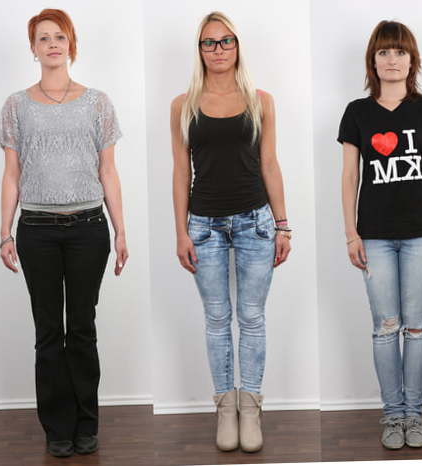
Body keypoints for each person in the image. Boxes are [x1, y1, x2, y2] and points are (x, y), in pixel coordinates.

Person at [0, 8, 128, 458]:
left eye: (59, 37)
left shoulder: (98, 103)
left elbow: (108, 171)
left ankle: (87, 422)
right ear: (33, 49)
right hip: (36, 230)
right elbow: (11, 174)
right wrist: (4, 232)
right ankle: (57, 427)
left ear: (72, 44)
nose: (52, 44)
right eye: (43, 38)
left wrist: (121, 230)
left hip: (89, 228)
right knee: (49, 331)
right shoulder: (16, 105)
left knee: (83, 328)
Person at [170, 11, 291, 453]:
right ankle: (225, 407)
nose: (218, 49)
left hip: (255, 223)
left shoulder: (261, 101)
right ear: (199, 50)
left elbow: (270, 164)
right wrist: (181, 232)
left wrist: (283, 224)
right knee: (218, 318)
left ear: (237, 47)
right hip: (204, 227)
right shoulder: (182, 105)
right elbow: (181, 172)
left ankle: (251, 406)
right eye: (209, 42)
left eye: (226, 41)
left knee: (252, 317)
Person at [338, 20, 422, 450]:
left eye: (399, 52)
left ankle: (414, 415)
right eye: (383, 52)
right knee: (385, 328)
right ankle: (393, 415)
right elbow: (350, 177)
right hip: (375, 237)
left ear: (412, 59)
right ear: (373, 60)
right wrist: (351, 234)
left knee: (417, 327)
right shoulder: (357, 112)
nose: (391, 59)